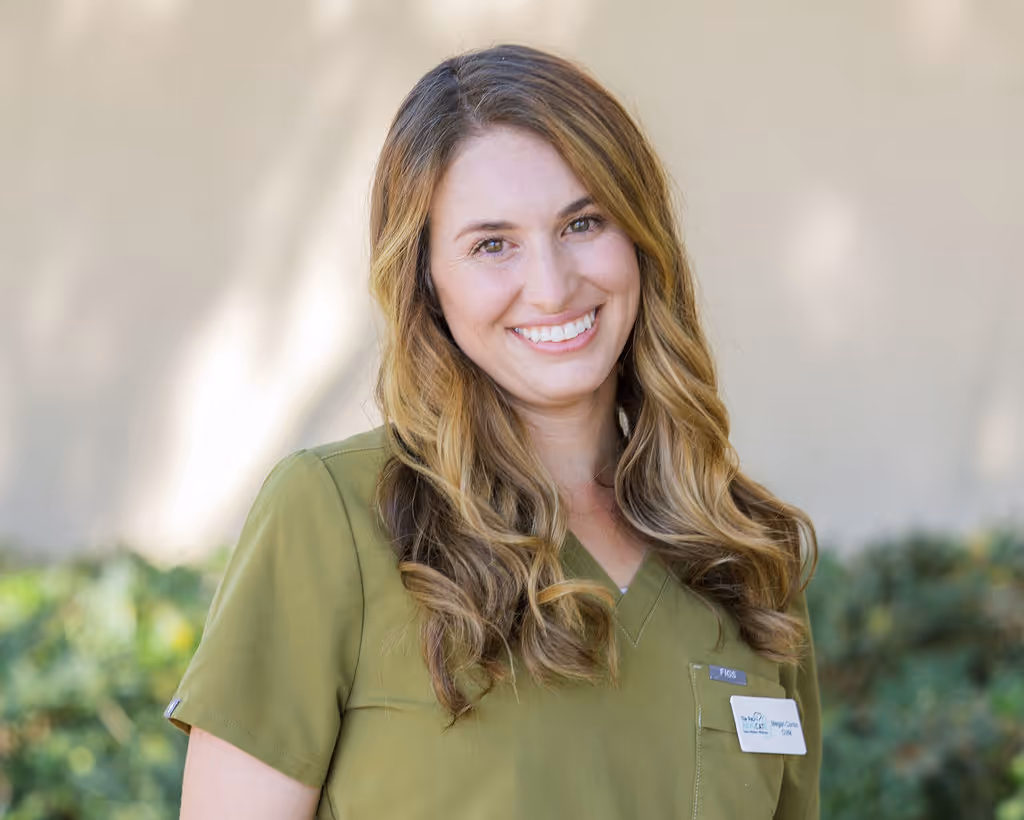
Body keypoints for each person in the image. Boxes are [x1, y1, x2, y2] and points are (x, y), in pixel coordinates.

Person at [166, 43, 822, 820]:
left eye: (583, 222)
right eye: (491, 244)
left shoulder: (746, 556)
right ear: (428, 282)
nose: (551, 286)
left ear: (643, 241)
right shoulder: (334, 516)